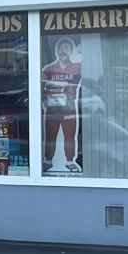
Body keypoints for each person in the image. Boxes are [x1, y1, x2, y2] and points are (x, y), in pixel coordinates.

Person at [42, 37, 82, 173]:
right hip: (52, 109)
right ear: (56, 50)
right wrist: (45, 99)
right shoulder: (48, 69)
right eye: (61, 48)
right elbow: (41, 89)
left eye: (66, 48)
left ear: (71, 51)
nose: (63, 50)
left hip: (69, 108)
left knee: (69, 136)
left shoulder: (77, 67)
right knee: (50, 136)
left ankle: (70, 162)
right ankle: (47, 161)